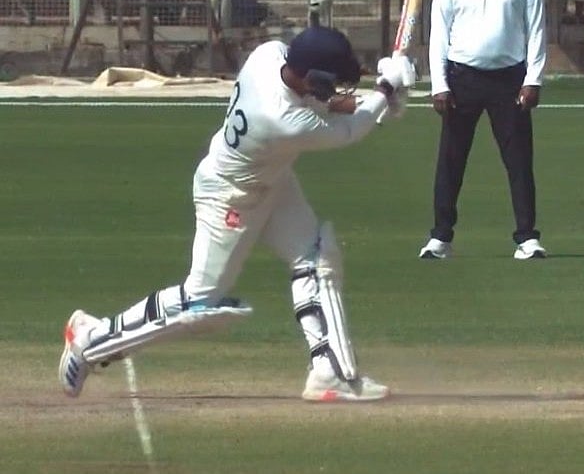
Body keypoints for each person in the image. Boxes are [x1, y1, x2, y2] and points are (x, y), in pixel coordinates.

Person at [58, 26, 416, 402]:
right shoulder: (283, 120)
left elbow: (327, 104)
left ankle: (331, 373)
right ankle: (90, 341)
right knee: (200, 302)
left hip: (272, 181)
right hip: (231, 197)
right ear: (315, 77)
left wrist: (380, 99)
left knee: (315, 257)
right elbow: (349, 131)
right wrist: (385, 92)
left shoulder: (270, 54)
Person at [418, 0, 547, 261]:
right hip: (463, 80)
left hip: (510, 80)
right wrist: (439, 85)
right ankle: (440, 238)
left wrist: (533, 79)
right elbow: (438, 35)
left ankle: (527, 238)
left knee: (519, 161)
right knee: (452, 161)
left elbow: (536, 31)